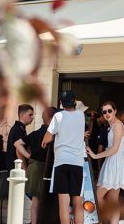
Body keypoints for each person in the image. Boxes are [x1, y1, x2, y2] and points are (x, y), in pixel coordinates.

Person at [42, 90, 86, 224]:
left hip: (61, 161)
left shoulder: (58, 116)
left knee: (63, 202)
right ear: (74, 101)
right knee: (77, 201)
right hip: (77, 162)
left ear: (61, 103)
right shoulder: (81, 115)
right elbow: (78, 106)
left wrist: (45, 141)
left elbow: (47, 138)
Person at [86, 101, 124, 224]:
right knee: (112, 199)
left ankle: (104, 221)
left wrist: (95, 156)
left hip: (115, 162)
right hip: (112, 162)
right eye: (104, 112)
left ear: (115, 111)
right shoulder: (112, 126)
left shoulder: (118, 125)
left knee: (97, 196)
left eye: (109, 110)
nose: (107, 113)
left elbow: (115, 148)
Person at [26, 107, 57, 224]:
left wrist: (27, 161)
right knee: (45, 202)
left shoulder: (34, 133)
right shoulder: (53, 133)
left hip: (33, 168)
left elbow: (18, 144)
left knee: (35, 202)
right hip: (45, 169)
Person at [7, 103, 35, 169]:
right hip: (17, 170)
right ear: (22, 115)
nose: (33, 117)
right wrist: (25, 169)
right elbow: (19, 151)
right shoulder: (18, 129)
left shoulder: (19, 128)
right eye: (30, 115)